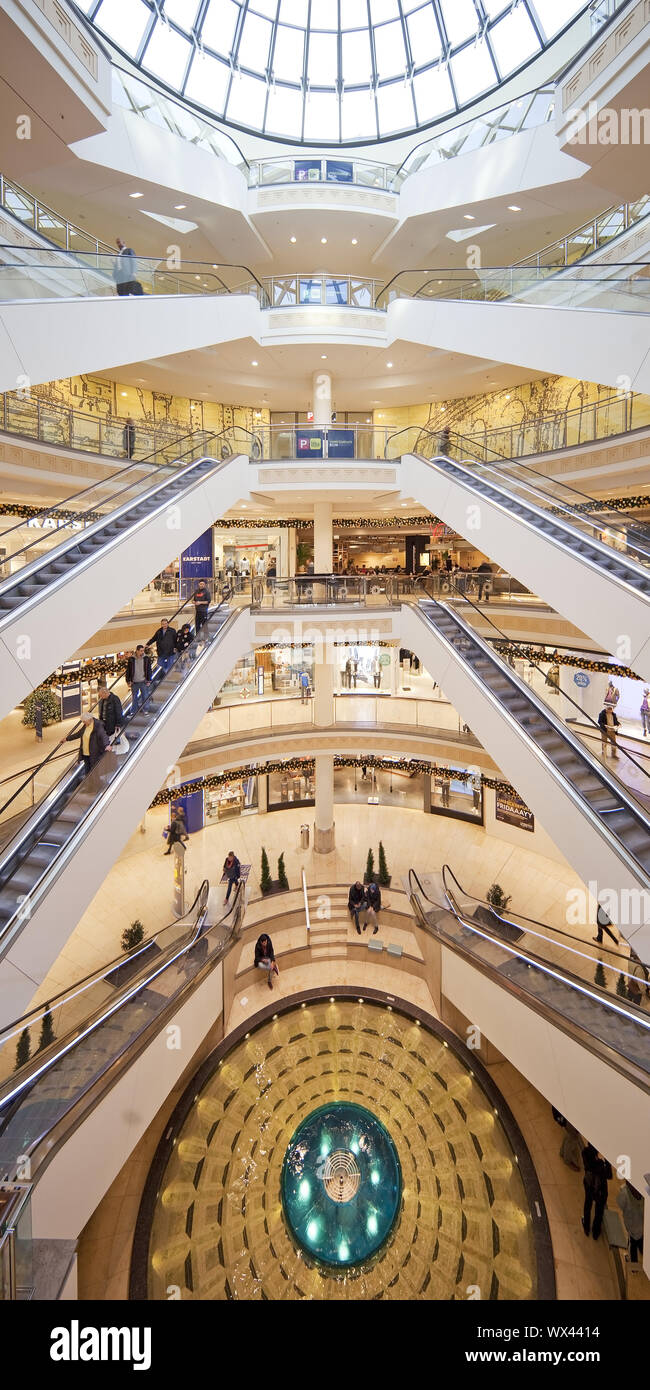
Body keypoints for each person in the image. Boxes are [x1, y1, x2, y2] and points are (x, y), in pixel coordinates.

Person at [581, 1143, 612, 1240]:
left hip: (589, 1185)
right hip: (600, 1191)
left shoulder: (585, 1153)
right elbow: (609, 1175)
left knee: (588, 1205)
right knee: (599, 1211)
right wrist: (607, 1162)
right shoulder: (601, 1165)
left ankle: (586, 1226)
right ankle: (596, 1232)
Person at [616, 1181, 644, 1267]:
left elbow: (620, 1204)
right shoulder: (644, 1192)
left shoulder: (625, 1193)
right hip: (642, 1225)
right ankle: (643, 1251)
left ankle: (633, 1266)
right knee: (640, 1240)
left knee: (632, 1245)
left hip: (632, 1226)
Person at [125, 644, 152, 712]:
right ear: (137, 651)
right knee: (134, 698)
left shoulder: (146, 658)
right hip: (134, 682)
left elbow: (149, 669)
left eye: (143, 651)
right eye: (141, 651)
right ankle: (134, 711)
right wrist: (128, 681)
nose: (142, 652)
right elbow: (128, 670)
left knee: (145, 697)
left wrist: (149, 680)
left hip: (143, 681)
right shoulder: (131, 659)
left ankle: (145, 710)